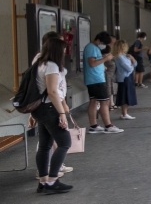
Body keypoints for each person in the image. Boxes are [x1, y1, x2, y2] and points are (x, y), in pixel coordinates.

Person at [31, 38, 74, 194]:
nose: (65, 51)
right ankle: (52, 180)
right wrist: (62, 113)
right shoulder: (52, 66)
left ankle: (43, 181)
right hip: (50, 108)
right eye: (63, 49)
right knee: (64, 143)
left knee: (44, 145)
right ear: (57, 50)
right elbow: (53, 91)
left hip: (40, 107)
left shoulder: (38, 62)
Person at [84, 32, 123, 134]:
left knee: (94, 101)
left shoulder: (92, 47)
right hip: (96, 79)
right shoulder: (92, 48)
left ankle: (94, 125)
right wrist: (106, 58)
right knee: (104, 102)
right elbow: (92, 63)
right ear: (100, 40)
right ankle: (108, 125)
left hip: (93, 78)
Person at [113, 40, 138, 120]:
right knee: (125, 95)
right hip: (124, 78)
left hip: (127, 77)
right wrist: (132, 65)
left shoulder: (124, 55)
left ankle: (125, 112)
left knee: (127, 94)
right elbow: (129, 68)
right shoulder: (119, 57)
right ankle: (124, 113)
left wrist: (132, 59)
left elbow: (135, 64)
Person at [103, 36, 118, 111]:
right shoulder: (105, 54)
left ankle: (112, 103)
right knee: (108, 88)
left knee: (112, 87)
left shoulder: (112, 53)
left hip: (112, 73)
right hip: (107, 73)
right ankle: (108, 104)